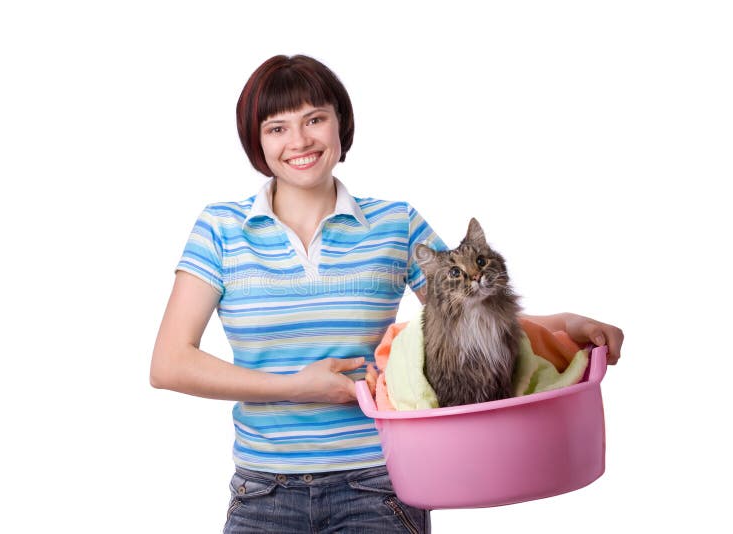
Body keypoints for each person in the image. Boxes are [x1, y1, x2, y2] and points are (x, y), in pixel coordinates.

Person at [150, 54, 624, 534]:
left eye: (315, 119)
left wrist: (568, 326)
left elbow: (474, 315)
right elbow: (170, 363)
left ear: (341, 124)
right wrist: (295, 386)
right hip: (263, 493)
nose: (299, 141)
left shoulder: (396, 224)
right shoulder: (221, 229)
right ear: (257, 140)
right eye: (277, 128)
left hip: (377, 487)